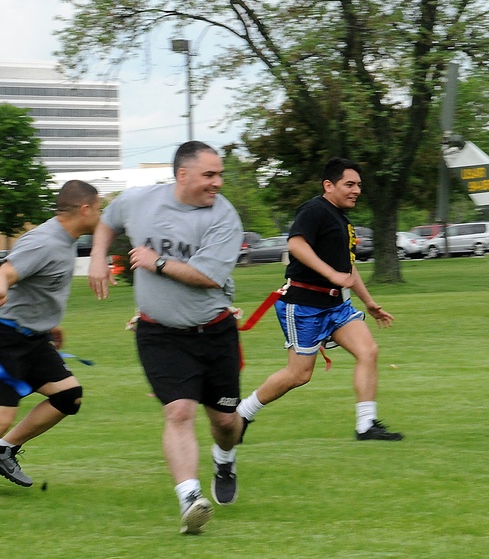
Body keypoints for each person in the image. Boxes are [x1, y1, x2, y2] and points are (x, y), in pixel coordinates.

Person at [87, 141, 244, 534]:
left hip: (215, 332)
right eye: (209, 175)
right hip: (159, 332)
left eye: (219, 174)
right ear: (183, 175)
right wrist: (96, 256)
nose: (217, 183)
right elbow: (108, 219)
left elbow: (208, 276)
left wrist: (156, 262)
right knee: (178, 412)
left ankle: (224, 459)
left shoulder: (224, 218)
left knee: (225, 421)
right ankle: (190, 498)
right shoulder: (140, 200)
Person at [236, 157, 401, 443]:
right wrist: (331, 275)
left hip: (336, 306)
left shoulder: (343, 222)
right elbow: (295, 244)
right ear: (329, 185)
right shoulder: (314, 210)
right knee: (299, 375)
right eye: (349, 184)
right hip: (303, 305)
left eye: (359, 185)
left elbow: (348, 268)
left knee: (368, 351)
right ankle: (242, 413)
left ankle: (366, 425)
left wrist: (369, 302)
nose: (356, 190)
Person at [0, 181, 101, 488]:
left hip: (34, 338)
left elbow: (38, 284)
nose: (100, 216)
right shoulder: (45, 241)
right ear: (84, 210)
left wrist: (49, 322)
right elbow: (6, 271)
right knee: (3, 414)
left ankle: (4, 450)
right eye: (99, 210)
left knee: (69, 396)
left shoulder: (67, 239)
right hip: (7, 337)